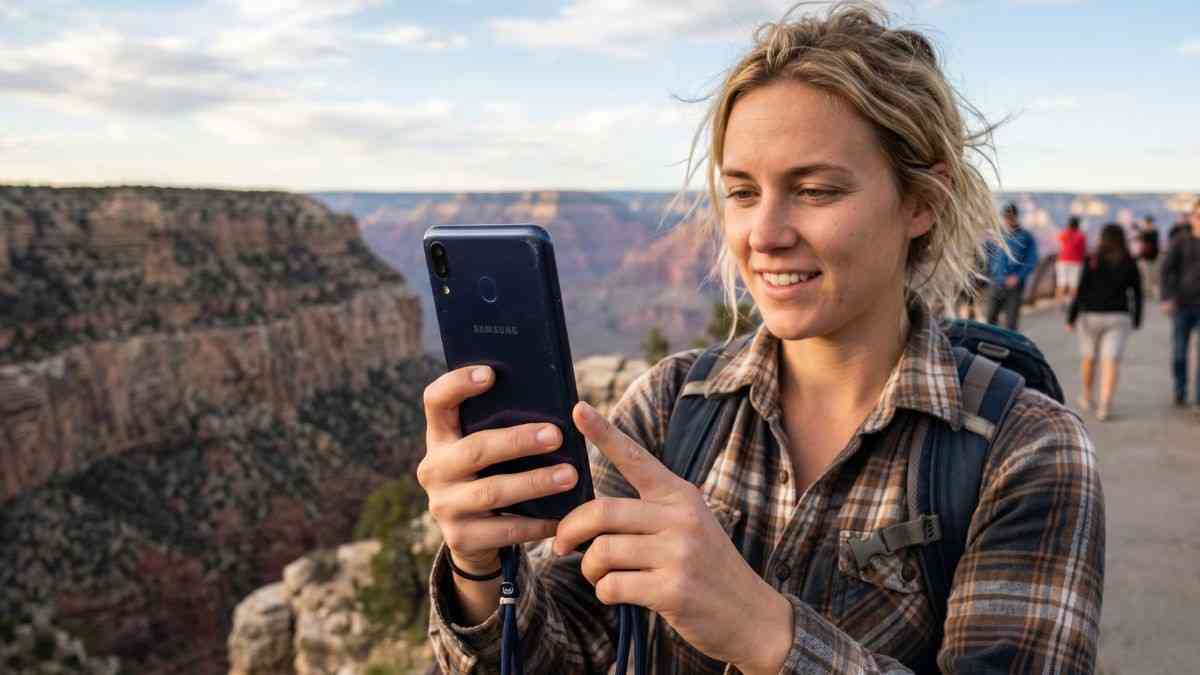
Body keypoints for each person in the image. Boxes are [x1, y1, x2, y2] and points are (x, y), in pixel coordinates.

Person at [419, 4, 1103, 674]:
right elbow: (563, 651)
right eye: (743, 192)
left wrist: (763, 631)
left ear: (921, 200)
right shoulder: (666, 409)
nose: (764, 235)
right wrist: (478, 568)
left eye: (814, 190)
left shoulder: (1024, 450)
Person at [1067, 224, 1143, 421]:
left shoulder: (1091, 258)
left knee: (1089, 358)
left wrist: (1071, 317)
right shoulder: (1128, 261)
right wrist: (1136, 318)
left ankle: (1086, 396)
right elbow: (1137, 292)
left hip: (1090, 316)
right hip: (1118, 317)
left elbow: (1081, 289)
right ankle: (1105, 406)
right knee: (1111, 361)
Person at [1160, 199, 1200, 411]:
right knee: (1179, 353)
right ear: (1192, 218)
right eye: (1198, 216)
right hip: (1182, 305)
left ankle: (1199, 400)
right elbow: (1166, 270)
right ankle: (1180, 389)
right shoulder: (1180, 241)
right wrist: (1167, 297)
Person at [985, 203, 1039, 330]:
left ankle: (1009, 348)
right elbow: (988, 256)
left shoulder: (1026, 237)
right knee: (990, 319)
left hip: (1014, 284)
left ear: (1016, 217)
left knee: (1011, 322)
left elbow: (1032, 260)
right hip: (996, 281)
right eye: (1005, 217)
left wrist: (1018, 277)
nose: (1007, 220)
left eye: (1010, 217)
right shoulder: (996, 234)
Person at [1056, 215, 1087, 302]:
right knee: (1074, 284)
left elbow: (1059, 246)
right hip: (1076, 262)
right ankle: (1072, 303)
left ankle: (1059, 302)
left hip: (1062, 260)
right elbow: (1083, 250)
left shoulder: (1063, 234)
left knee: (1061, 283)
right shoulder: (1081, 236)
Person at [1133, 214, 1161, 299]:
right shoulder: (1148, 231)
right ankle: (1148, 292)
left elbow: (1145, 237)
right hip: (1147, 257)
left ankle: (1150, 292)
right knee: (1146, 275)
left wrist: (1140, 229)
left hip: (1152, 257)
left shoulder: (1153, 232)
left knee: (1151, 276)